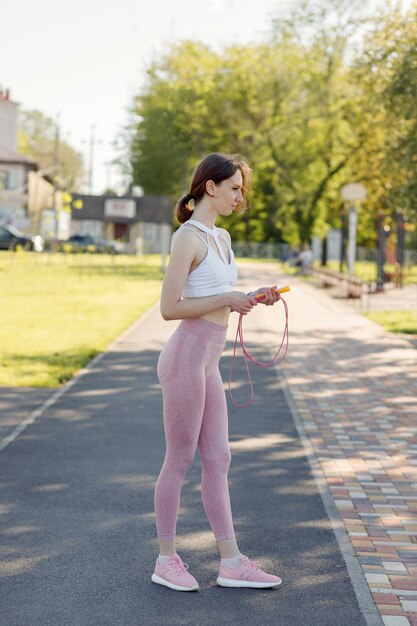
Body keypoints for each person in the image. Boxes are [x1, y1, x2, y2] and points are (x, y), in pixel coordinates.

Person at [151, 152, 283, 592]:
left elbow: (218, 292)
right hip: (186, 356)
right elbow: (170, 308)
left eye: (240, 189)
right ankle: (166, 558)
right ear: (210, 187)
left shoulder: (222, 237)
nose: (239, 196)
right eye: (234, 188)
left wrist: (249, 295)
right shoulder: (187, 238)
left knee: (219, 459)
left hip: (208, 362)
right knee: (180, 457)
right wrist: (228, 298)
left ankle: (231, 562)